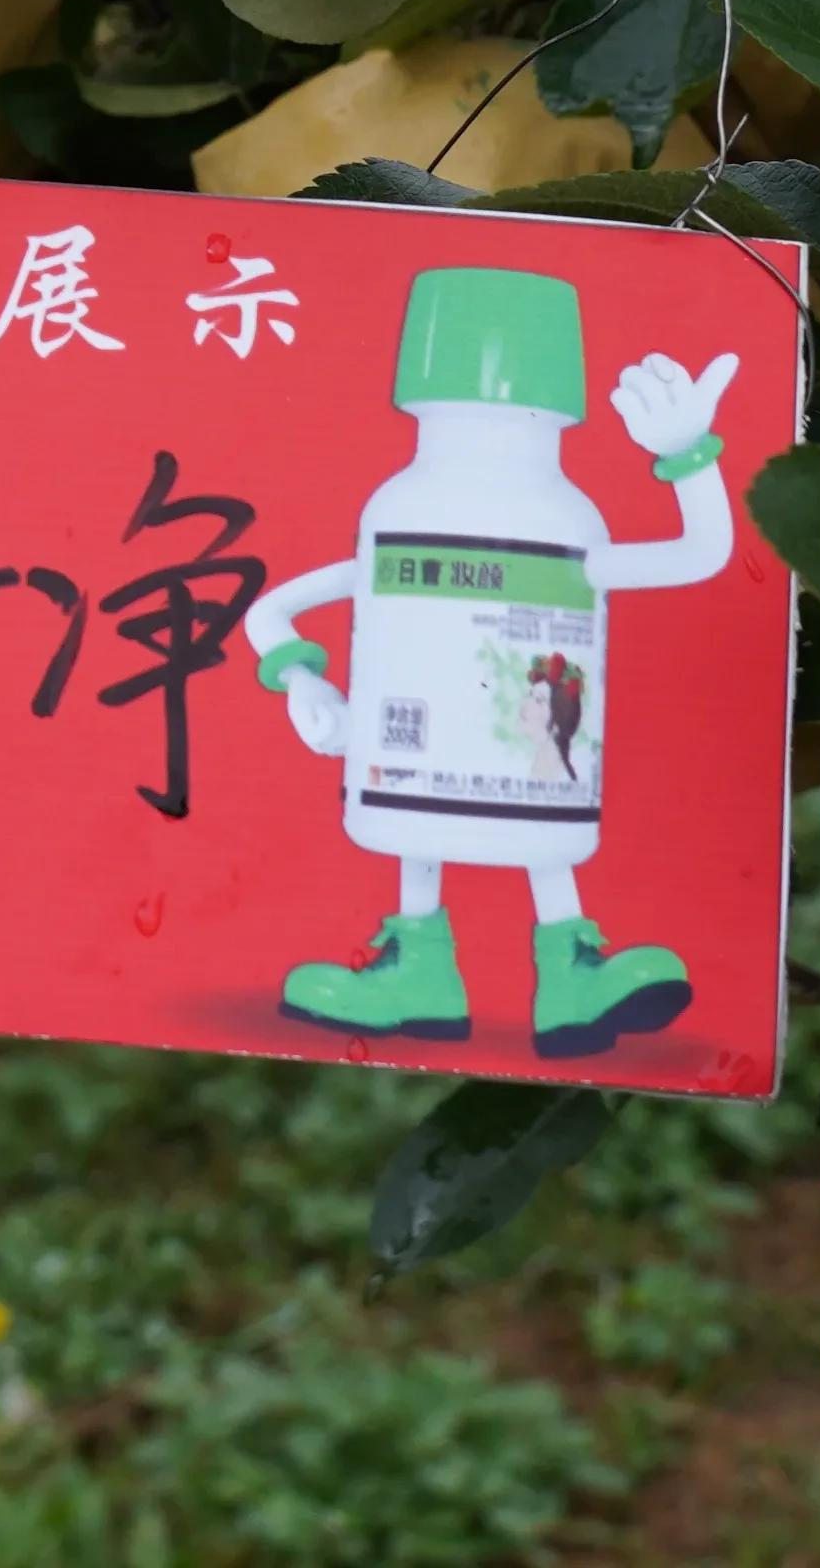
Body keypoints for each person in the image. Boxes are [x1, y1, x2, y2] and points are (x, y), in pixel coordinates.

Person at [248, 265, 736, 1054]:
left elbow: (703, 553)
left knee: (535, 830)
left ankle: (565, 978)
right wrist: (305, 679)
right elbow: (271, 611)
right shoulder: (401, 511)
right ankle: (427, 970)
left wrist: (687, 453)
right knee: (429, 816)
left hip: (533, 771)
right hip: (407, 760)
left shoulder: (566, 521)